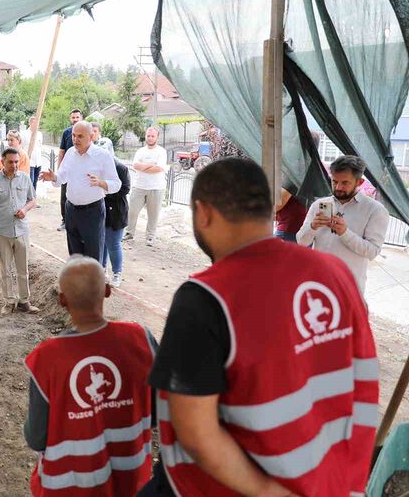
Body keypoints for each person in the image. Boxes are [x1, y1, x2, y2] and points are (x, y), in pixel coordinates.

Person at [143, 158, 378, 496]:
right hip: (330, 481)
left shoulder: (205, 298)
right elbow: (360, 381)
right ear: (269, 209)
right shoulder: (336, 273)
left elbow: (195, 434)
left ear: (203, 212)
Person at [24, 255, 157, 496]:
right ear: (107, 291)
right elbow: (157, 413)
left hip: (66, 487)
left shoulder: (46, 358)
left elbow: (36, 437)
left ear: (62, 300)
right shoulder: (141, 340)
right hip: (131, 481)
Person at [297, 155, 389, 294]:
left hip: (348, 287)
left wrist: (345, 233)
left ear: (359, 182)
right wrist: (312, 227)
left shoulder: (375, 210)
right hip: (317, 283)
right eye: (334, 182)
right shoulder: (319, 205)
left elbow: (372, 252)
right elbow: (301, 242)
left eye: (345, 183)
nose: (338, 187)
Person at [41, 121, 120, 262]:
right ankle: (78, 283)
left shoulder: (103, 156)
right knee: (75, 254)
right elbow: (62, 176)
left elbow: (117, 184)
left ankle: (93, 283)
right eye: (73, 136)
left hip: (92, 212)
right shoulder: (70, 152)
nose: (75, 140)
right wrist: (54, 177)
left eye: (80, 136)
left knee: (93, 255)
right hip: (71, 210)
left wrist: (101, 183)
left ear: (91, 137)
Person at [0, 147, 39, 315]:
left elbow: (32, 200)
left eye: (16, 162)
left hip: (22, 231)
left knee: (23, 268)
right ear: (2, 162)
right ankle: (9, 302)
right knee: (6, 269)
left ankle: (24, 301)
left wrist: (24, 210)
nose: (14, 165)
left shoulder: (25, 178)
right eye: (10, 162)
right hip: (2, 231)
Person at [125, 127, 167, 246]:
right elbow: (135, 165)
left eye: (152, 136)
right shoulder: (140, 151)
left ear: (157, 137)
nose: (150, 138)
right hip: (139, 186)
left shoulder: (161, 151)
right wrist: (150, 165)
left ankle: (150, 236)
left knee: (153, 214)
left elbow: (159, 168)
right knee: (132, 211)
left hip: (156, 188)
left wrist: (143, 166)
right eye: (148, 136)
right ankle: (129, 233)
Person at [103, 157, 130, 288]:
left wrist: (105, 192)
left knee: (113, 243)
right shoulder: (98, 165)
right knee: (101, 242)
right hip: (101, 209)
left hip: (117, 212)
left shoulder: (121, 168)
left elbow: (125, 189)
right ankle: (102, 270)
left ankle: (116, 273)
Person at [56, 109, 83, 231]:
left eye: (77, 117)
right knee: (64, 196)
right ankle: (65, 221)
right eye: (73, 117)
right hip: (67, 170)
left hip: (82, 171)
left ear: (81, 118)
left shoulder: (87, 132)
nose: (75, 119)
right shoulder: (66, 132)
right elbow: (61, 152)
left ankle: (78, 222)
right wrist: (59, 170)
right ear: (70, 119)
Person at [20, 116, 44, 190]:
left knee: (35, 182)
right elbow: (21, 147)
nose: (37, 125)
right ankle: (29, 198)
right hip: (29, 162)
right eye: (35, 123)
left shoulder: (40, 134)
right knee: (30, 181)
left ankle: (33, 198)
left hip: (38, 162)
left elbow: (40, 147)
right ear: (30, 123)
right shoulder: (24, 134)